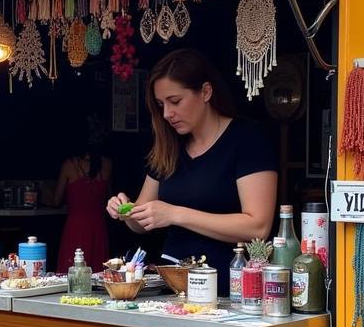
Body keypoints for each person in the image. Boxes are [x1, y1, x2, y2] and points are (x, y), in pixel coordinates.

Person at [106, 48, 277, 290]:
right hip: (173, 283)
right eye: (160, 104)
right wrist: (126, 212)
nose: (167, 114)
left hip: (229, 285)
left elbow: (257, 226)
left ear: (206, 92)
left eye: (175, 101)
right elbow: (142, 222)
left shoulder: (247, 139)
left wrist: (175, 214)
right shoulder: (169, 145)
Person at [54, 134, 112, 273]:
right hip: (98, 226)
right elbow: (110, 199)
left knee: (72, 272)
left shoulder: (70, 165)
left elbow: (56, 201)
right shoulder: (107, 165)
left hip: (75, 226)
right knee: (98, 272)